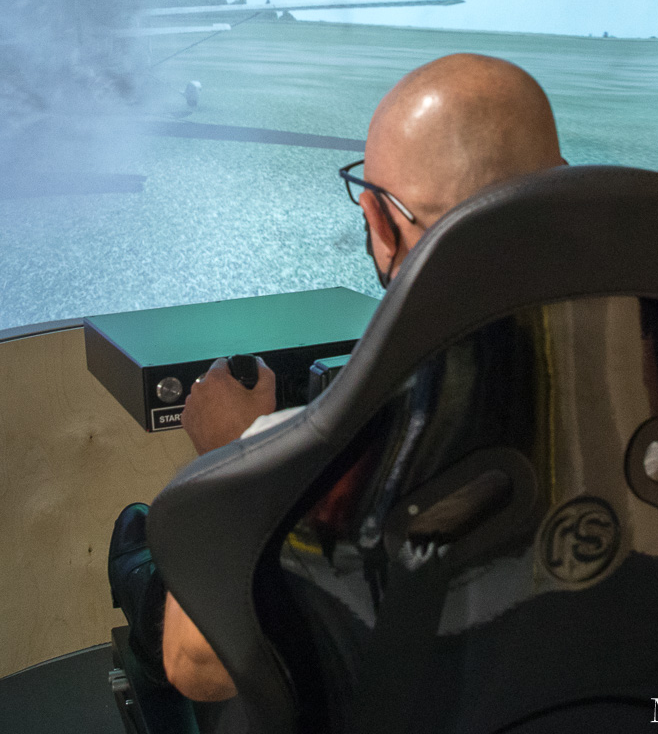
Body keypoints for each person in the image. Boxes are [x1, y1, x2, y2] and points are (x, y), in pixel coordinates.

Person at [110, 53, 568, 704]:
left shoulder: (381, 434)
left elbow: (201, 667)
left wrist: (238, 453)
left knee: (145, 551)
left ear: (378, 221)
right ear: (562, 184)